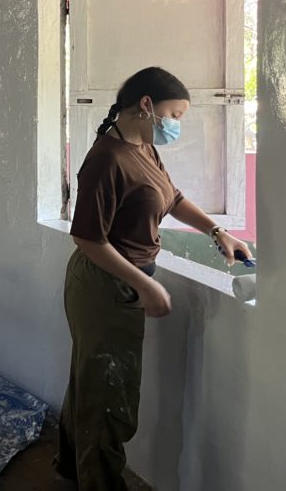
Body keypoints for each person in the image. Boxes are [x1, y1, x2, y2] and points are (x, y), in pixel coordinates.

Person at [55, 67, 253, 489]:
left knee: (93, 384)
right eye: (175, 115)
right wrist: (144, 283)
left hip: (120, 283)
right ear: (146, 105)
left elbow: (172, 196)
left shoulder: (143, 147)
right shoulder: (106, 159)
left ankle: (72, 469)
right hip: (103, 287)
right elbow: (87, 238)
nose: (176, 124)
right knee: (109, 399)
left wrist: (217, 231)